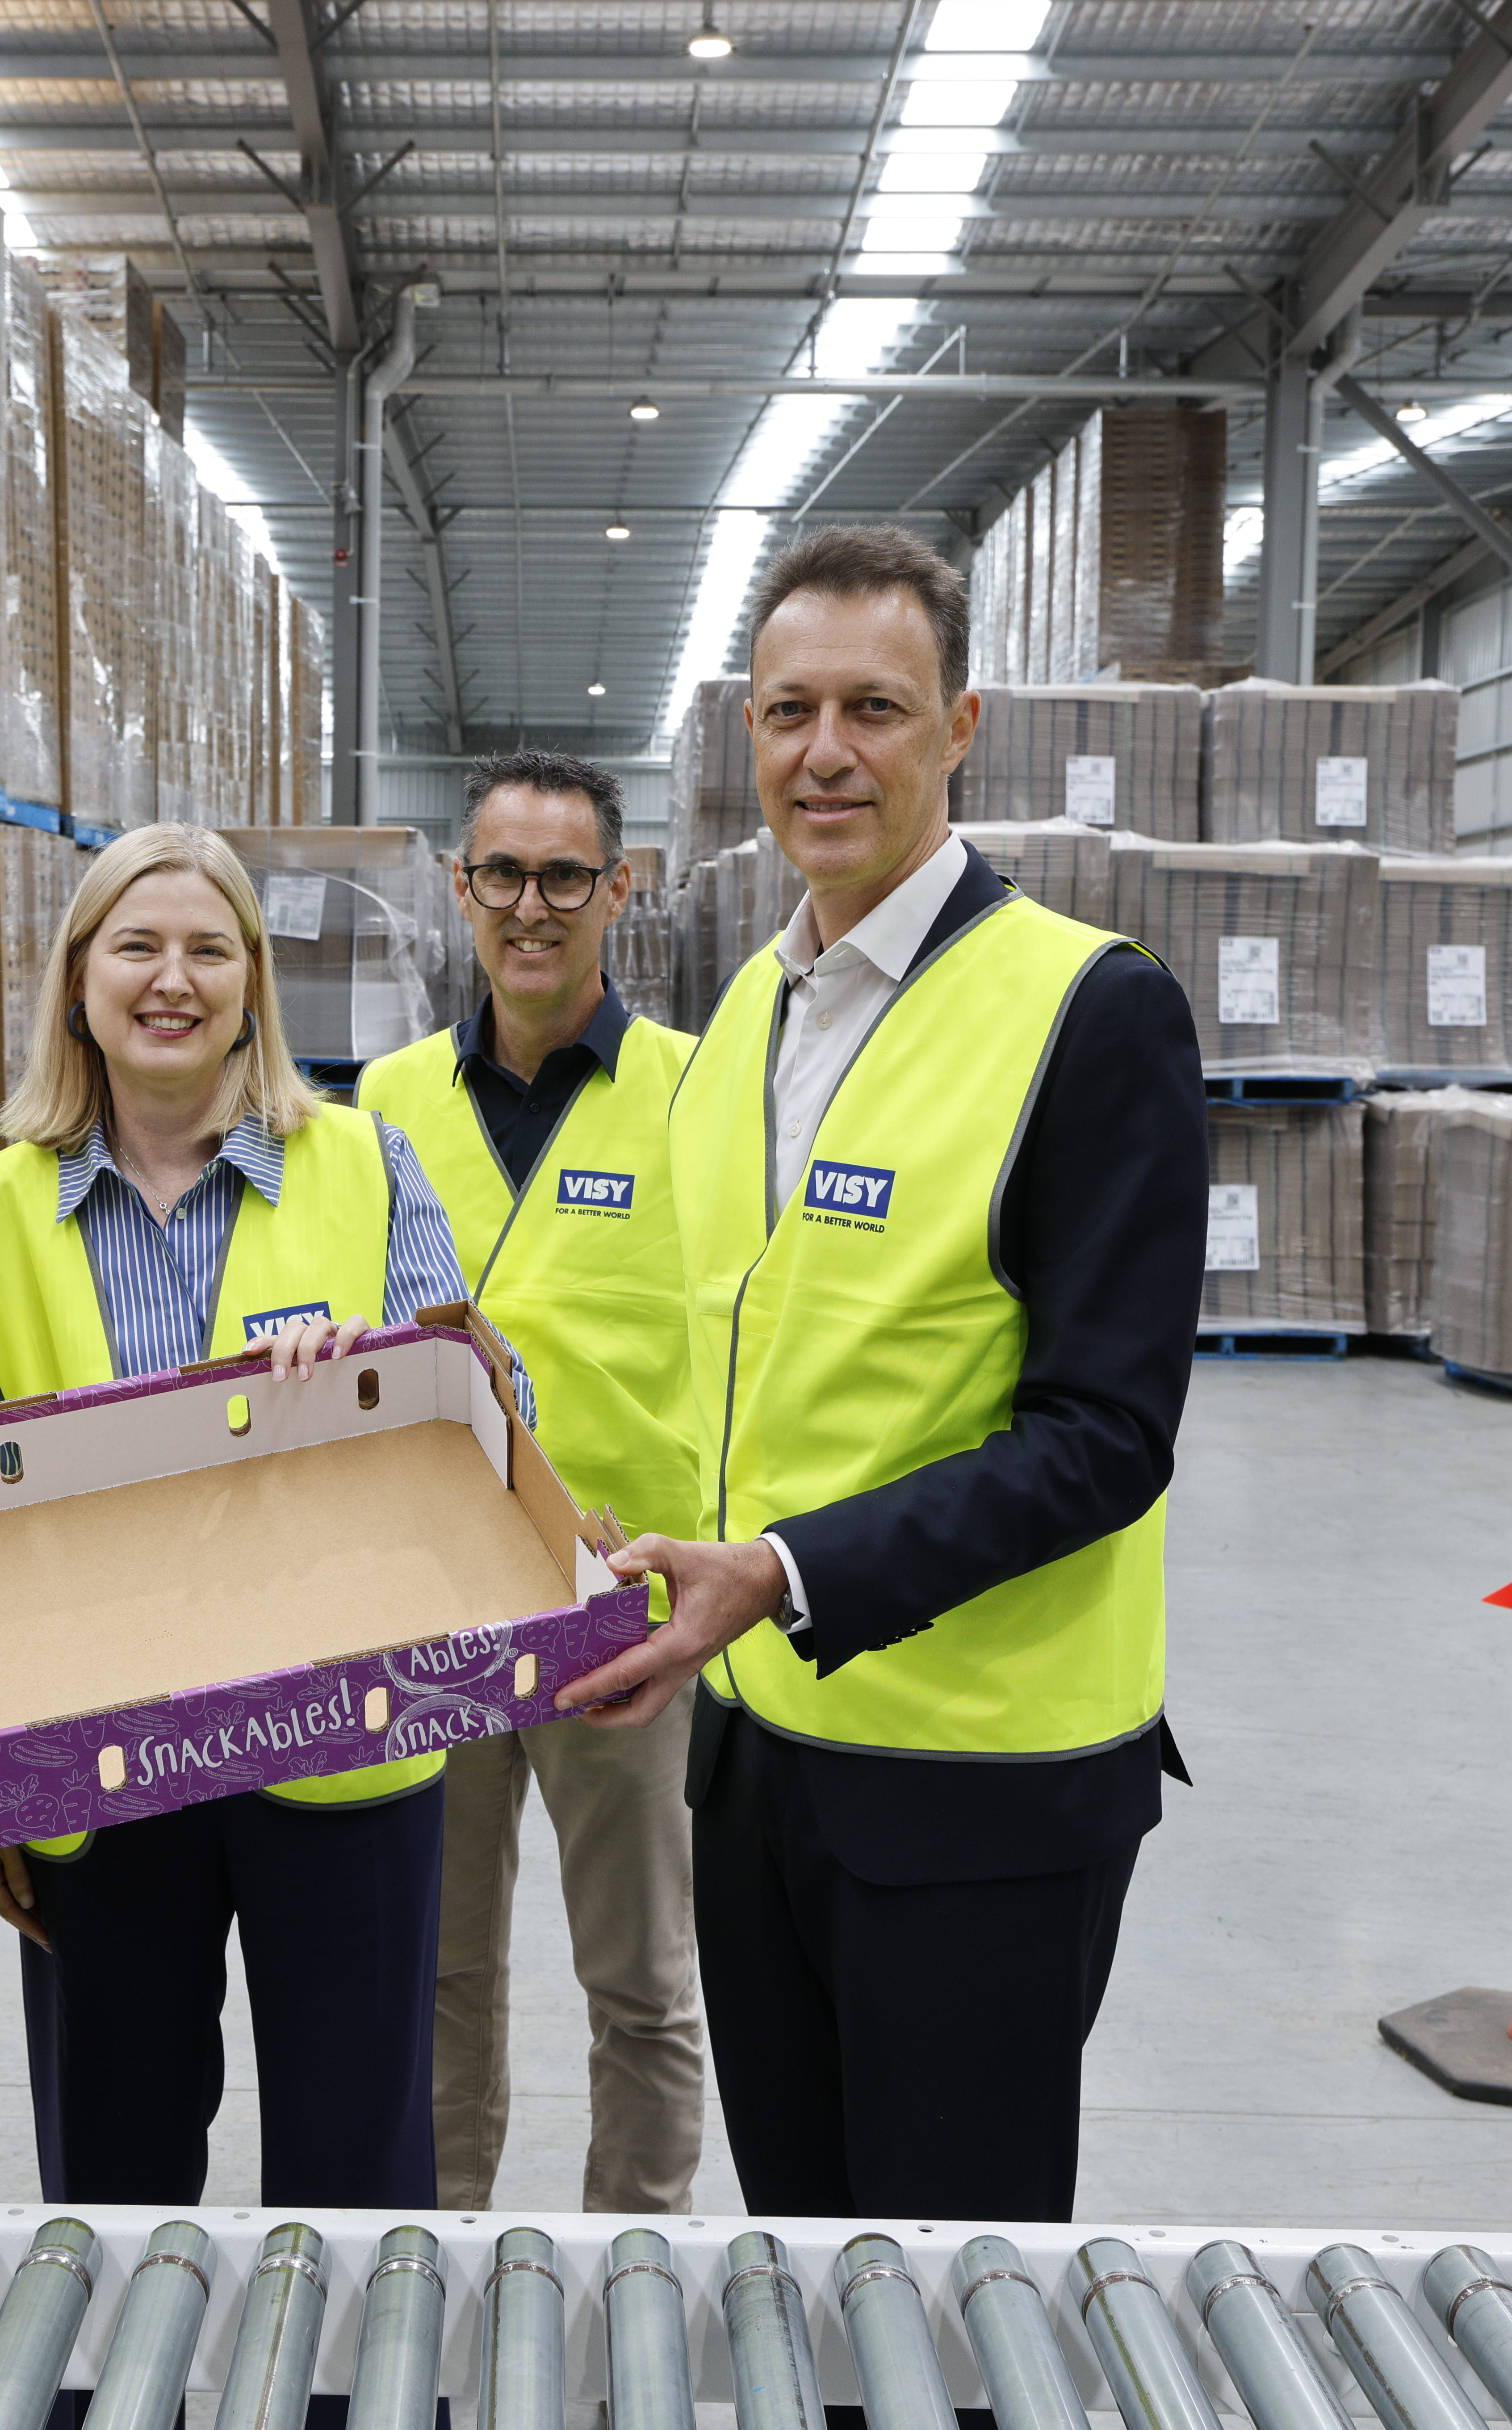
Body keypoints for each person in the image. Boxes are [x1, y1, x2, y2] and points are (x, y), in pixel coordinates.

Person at [552, 524, 1206, 2223]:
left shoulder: (1087, 1010)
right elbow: (727, 1350)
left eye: (874, 708)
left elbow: (1106, 1438)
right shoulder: (755, 1021)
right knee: (807, 2274)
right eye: (787, 713)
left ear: (959, 725)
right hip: (761, 1756)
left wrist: (776, 1574)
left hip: (978, 1799)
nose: (824, 752)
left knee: (952, 2313)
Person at [0, 822, 483, 2211]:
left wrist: (401, 1378)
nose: (170, 979)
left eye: (208, 949)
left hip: (341, 1733)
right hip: (98, 1750)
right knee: (113, 2166)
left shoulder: (368, 1163)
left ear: (254, 982)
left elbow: (500, 1417)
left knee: (354, 2167)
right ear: (80, 982)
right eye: (137, 946)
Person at [356, 747, 707, 2216]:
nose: (533, 906)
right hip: (438, 1589)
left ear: (621, 890)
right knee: (444, 1970)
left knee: (641, 1975)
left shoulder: (698, 1094)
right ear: (461, 889)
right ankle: (440, 2249)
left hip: (626, 1598)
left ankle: (639, 2250)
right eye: (503, 873)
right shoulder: (381, 1102)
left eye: (568, 875)